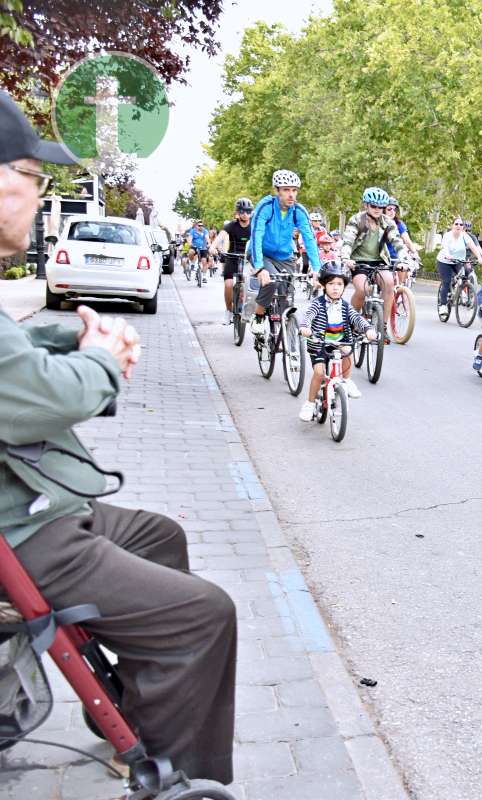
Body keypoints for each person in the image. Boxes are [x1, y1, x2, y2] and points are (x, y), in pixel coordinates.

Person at [0, 89, 236, 784]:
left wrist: (65, 330)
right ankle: (172, 771)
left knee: (161, 536)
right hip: (21, 531)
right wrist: (105, 359)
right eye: (34, 180)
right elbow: (42, 400)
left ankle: (135, 714)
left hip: (31, 507)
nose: (42, 199)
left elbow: (11, 359)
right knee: (205, 615)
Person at [297, 263, 376, 420]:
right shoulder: (317, 304)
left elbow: (357, 318)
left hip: (339, 343)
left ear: (344, 286)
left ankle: (346, 381)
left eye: (339, 284)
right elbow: (308, 316)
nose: (335, 288)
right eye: (331, 284)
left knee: (347, 352)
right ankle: (310, 403)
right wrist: (305, 327)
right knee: (319, 373)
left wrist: (368, 329)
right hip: (319, 343)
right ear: (324, 285)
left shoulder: (345, 306)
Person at [247, 169, 320, 336]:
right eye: (286, 190)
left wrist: (317, 269)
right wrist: (259, 268)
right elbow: (256, 235)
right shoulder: (266, 206)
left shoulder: (299, 211)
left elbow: (309, 239)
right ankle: (258, 317)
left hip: (285, 256)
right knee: (270, 282)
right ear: (277, 191)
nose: (291, 195)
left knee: (287, 291)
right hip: (261, 254)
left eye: (294, 190)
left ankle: (283, 329)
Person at [341, 186, 403, 346]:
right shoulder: (357, 220)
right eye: (374, 206)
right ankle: (353, 323)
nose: (377, 210)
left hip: (379, 261)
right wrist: (346, 257)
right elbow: (348, 240)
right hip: (358, 262)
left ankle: (381, 325)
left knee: (389, 283)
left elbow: (397, 241)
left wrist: (404, 259)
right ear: (366, 205)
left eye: (381, 207)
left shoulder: (387, 222)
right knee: (363, 289)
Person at [213, 198, 254, 324]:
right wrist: (213, 246)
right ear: (237, 212)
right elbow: (220, 237)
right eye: (242, 211)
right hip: (232, 257)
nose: (245, 214)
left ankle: (250, 310)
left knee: (252, 285)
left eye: (248, 211)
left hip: (248, 259)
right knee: (229, 284)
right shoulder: (231, 225)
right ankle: (229, 311)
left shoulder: (255, 225)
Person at [435, 217, 482, 317]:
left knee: (464, 276)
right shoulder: (447, 236)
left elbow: (473, 247)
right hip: (445, 261)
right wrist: (448, 255)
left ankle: (463, 293)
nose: (459, 226)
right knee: (446, 282)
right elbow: (444, 247)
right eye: (456, 224)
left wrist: (479, 258)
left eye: (461, 224)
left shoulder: (464, 236)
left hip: (458, 261)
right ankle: (443, 305)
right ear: (452, 226)